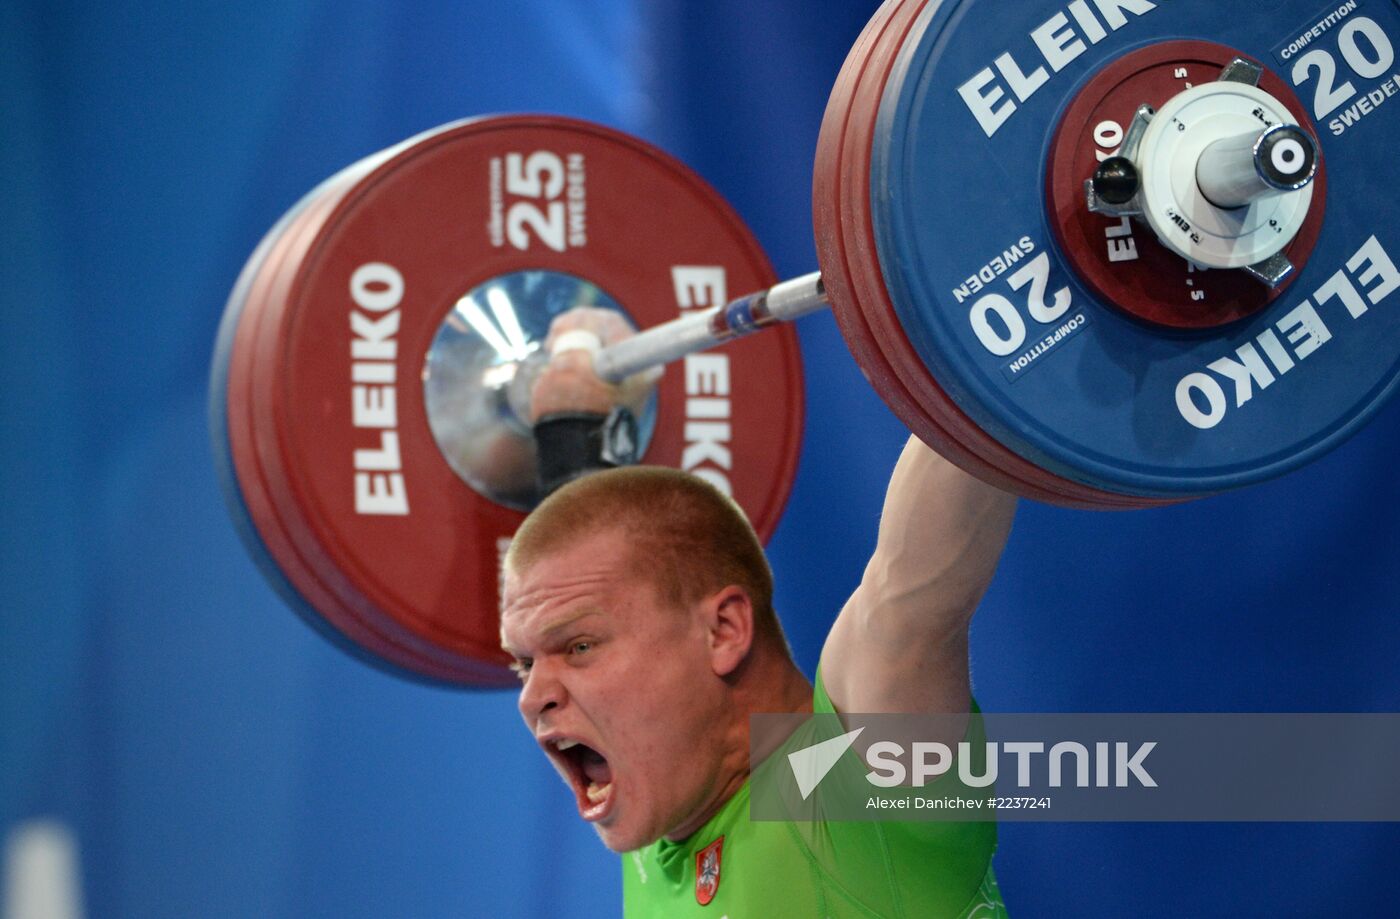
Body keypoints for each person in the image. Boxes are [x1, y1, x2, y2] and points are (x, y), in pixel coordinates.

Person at [498, 307, 1017, 917]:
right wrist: (572, 420)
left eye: (579, 650)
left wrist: (1014, 332)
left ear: (722, 631)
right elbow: (592, 581)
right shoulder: (661, 799)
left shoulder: (851, 794)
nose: (533, 697)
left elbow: (912, 602)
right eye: (524, 665)